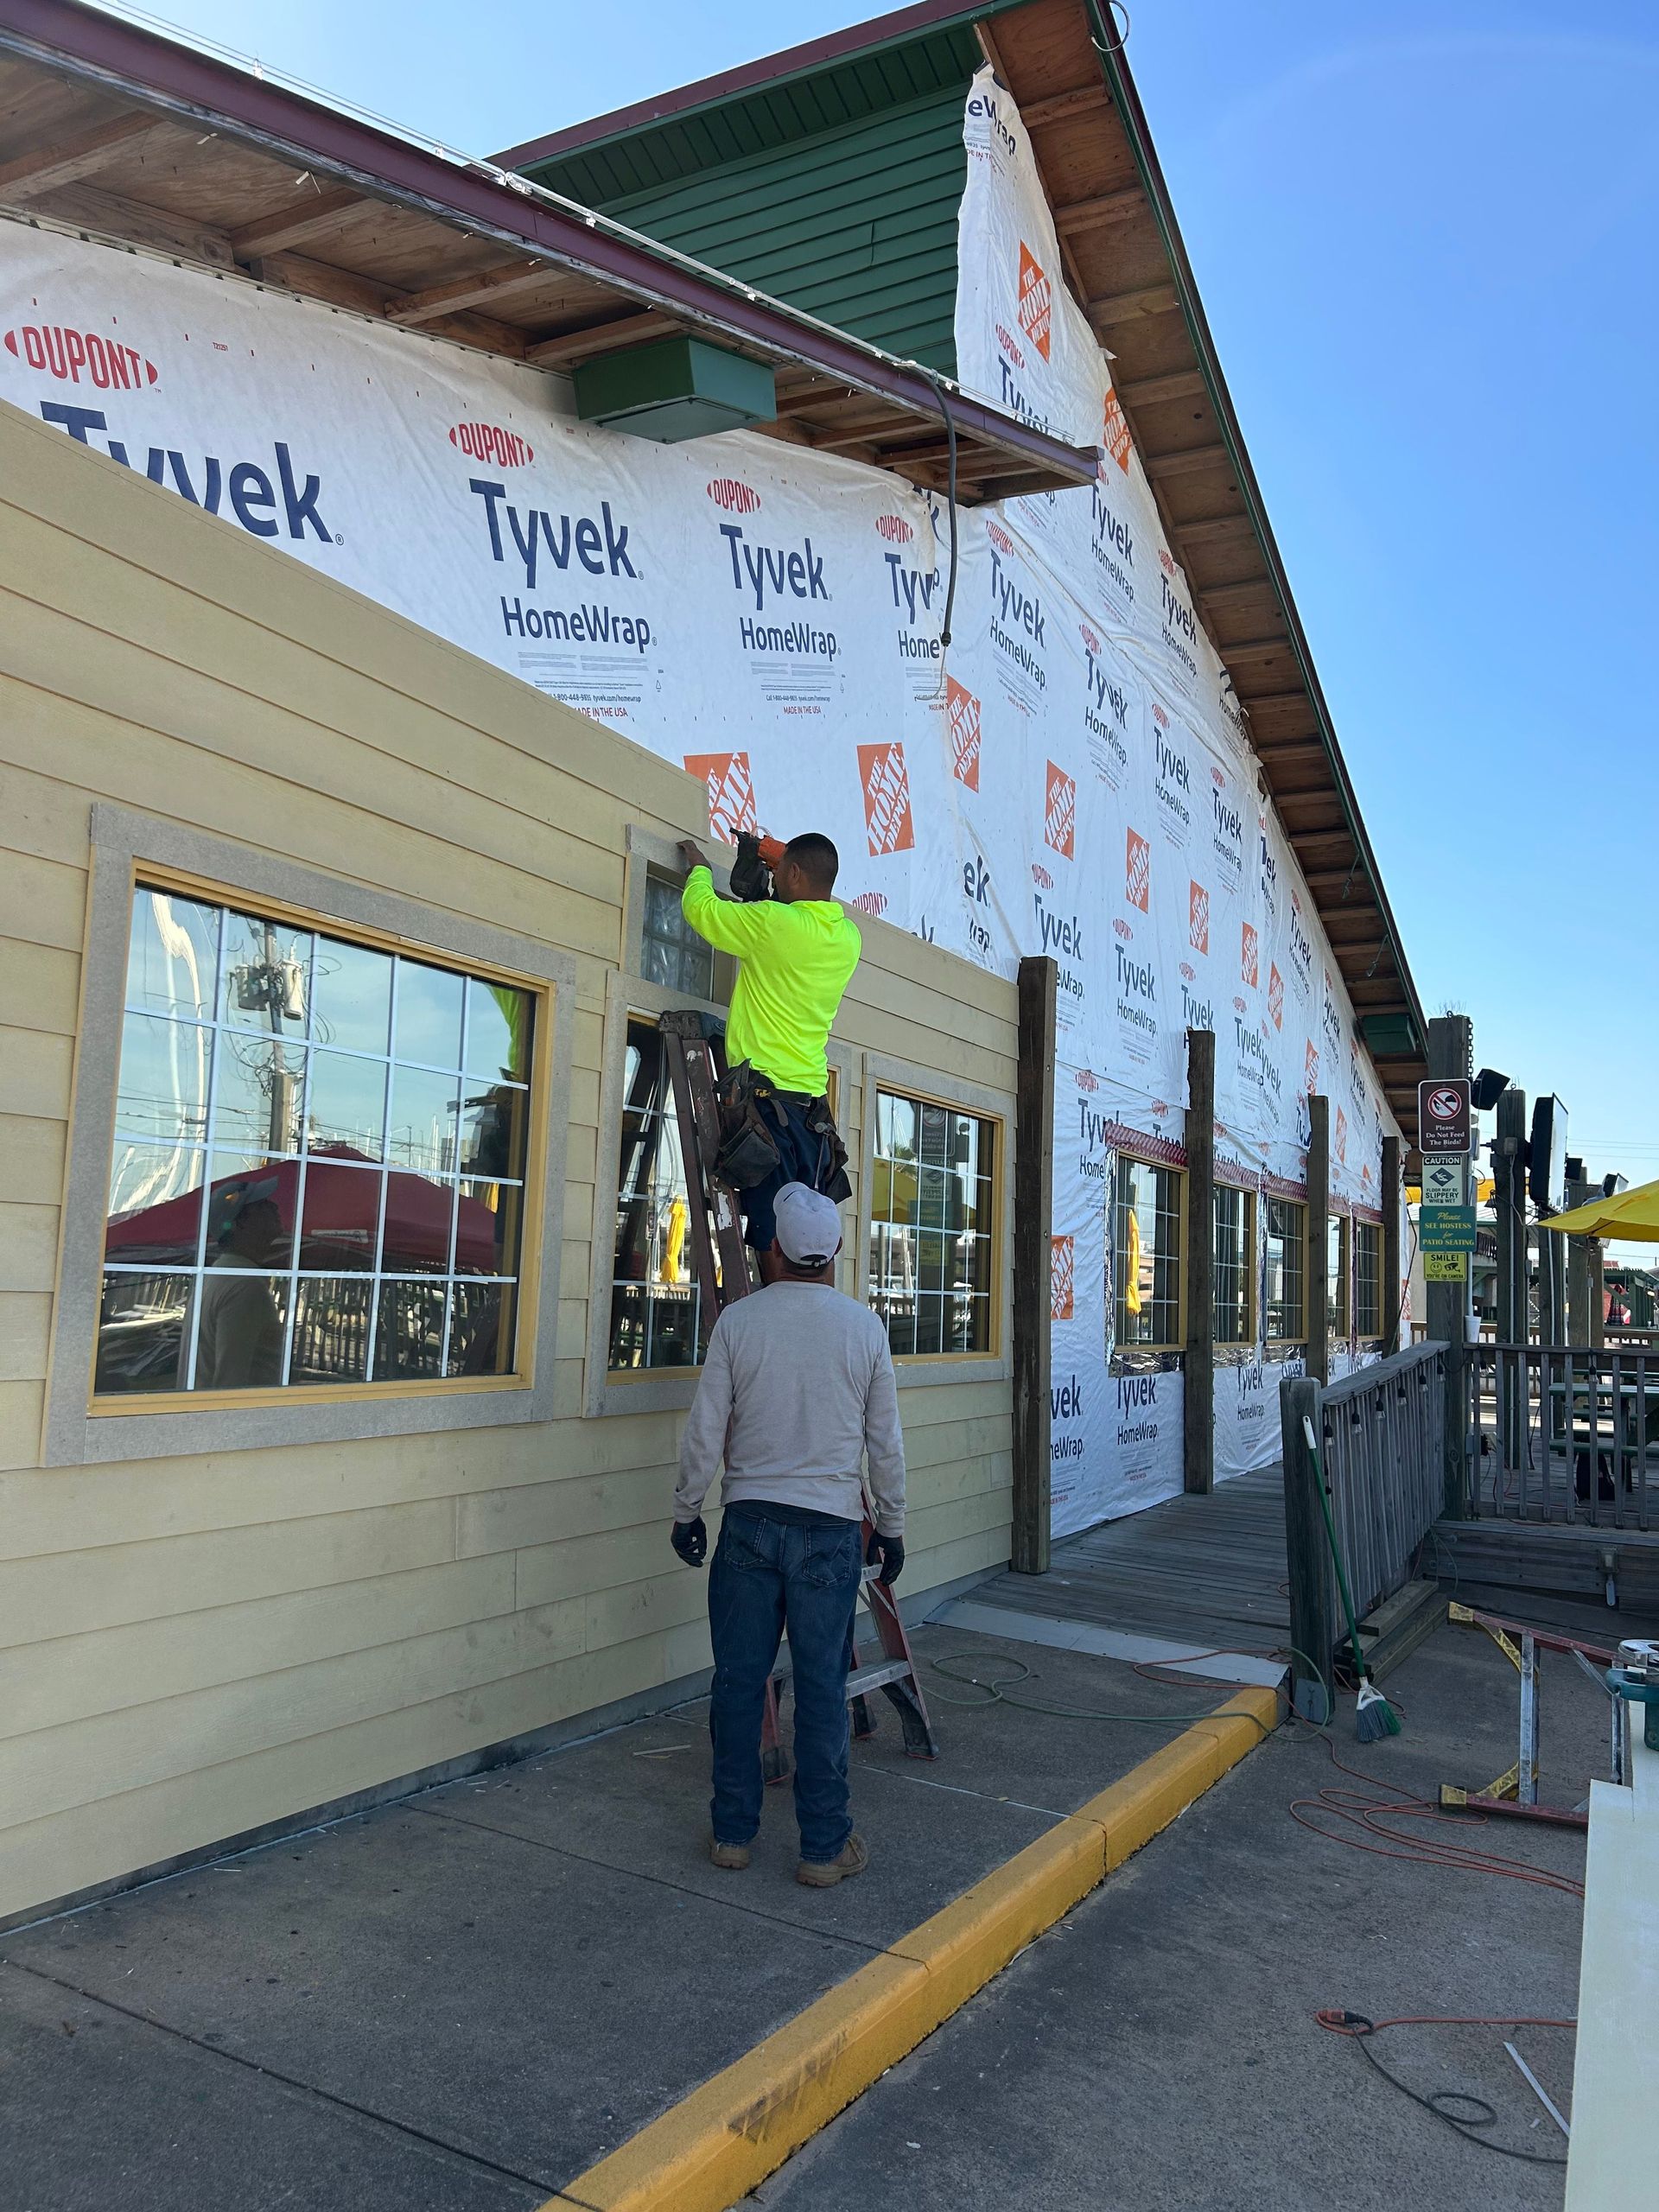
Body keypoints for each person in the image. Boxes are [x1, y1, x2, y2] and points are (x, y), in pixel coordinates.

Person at [671, 1182, 906, 1887]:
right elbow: (885, 1443)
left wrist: (687, 1509)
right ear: (832, 1253)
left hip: (748, 1524)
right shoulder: (863, 1328)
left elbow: (705, 1431)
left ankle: (733, 1835)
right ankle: (822, 1848)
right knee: (823, 1688)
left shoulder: (739, 1325)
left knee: (739, 1683)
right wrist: (889, 1525)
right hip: (830, 1533)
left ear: (770, 1249)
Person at [678, 832, 859, 1282]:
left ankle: (775, 1327)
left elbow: (702, 911)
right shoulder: (848, 938)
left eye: (780, 874)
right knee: (812, 1239)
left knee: (770, 1235)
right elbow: (800, 894)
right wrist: (775, 864)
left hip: (764, 1109)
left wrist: (700, 867)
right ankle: (821, 1326)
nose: (773, 881)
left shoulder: (773, 924)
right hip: (811, 1113)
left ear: (794, 874)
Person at [195, 1185, 286, 1389]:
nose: (274, 1205)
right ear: (239, 1224)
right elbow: (231, 1383)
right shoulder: (245, 1286)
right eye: (260, 1204)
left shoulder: (217, 1275)